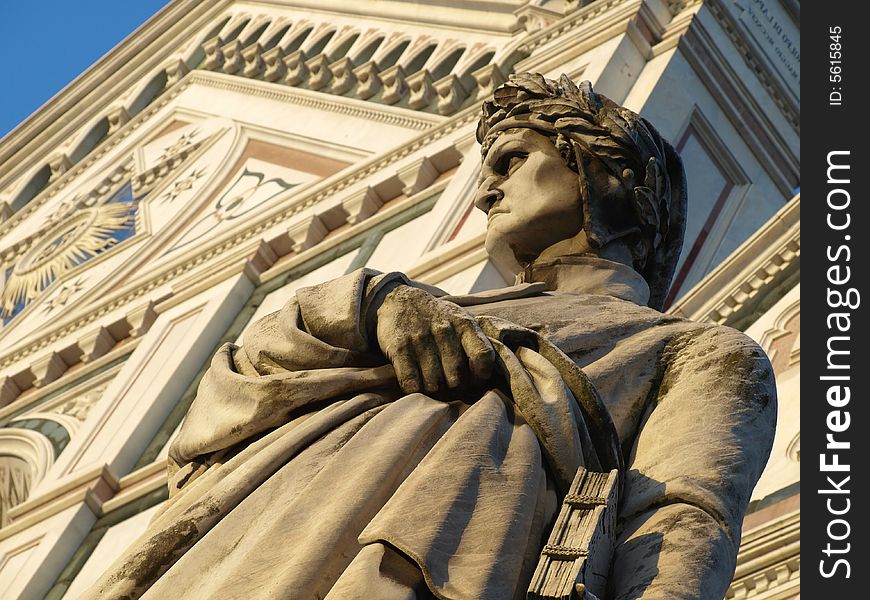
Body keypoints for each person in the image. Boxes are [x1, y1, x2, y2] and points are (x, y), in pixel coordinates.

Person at [85, 74, 776, 600]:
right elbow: (217, 421)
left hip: (441, 558)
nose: (484, 193)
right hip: (254, 547)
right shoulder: (398, 310)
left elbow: (681, 525)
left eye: (511, 161)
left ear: (610, 174)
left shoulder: (698, 352)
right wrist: (370, 305)